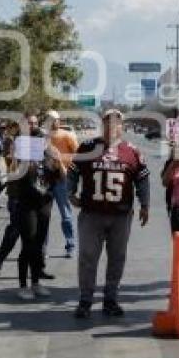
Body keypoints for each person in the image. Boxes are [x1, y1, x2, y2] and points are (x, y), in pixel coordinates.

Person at [68, 109, 149, 319]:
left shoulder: (132, 151)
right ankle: (85, 301)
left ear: (122, 126)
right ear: (102, 124)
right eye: (108, 122)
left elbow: (142, 179)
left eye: (116, 122)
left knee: (117, 258)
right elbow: (73, 171)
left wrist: (145, 204)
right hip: (91, 214)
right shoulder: (87, 147)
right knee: (87, 258)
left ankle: (110, 300)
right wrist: (70, 193)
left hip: (121, 215)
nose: (112, 126)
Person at [13, 127, 64, 300]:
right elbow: (15, 175)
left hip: (44, 205)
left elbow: (60, 177)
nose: (41, 143)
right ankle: (23, 286)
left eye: (44, 139)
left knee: (38, 245)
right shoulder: (24, 158)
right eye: (37, 140)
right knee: (28, 245)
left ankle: (35, 282)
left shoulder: (49, 157)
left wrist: (58, 161)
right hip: (27, 206)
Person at [45, 110, 79, 257]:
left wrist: (71, 173)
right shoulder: (42, 136)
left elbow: (77, 155)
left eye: (55, 120)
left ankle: (70, 245)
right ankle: (42, 248)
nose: (53, 122)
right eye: (50, 120)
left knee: (65, 214)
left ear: (59, 121)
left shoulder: (67, 135)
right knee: (44, 215)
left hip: (62, 179)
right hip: (45, 180)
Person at [0, 134, 21, 275]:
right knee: (13, 233)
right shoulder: (11, 156)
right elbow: (11, 172)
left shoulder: (36, 157)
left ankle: (36, 268)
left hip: (32, 199)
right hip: (16, 198)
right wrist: (16, 156)